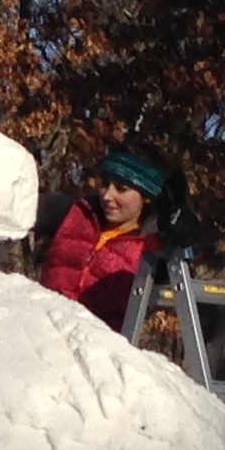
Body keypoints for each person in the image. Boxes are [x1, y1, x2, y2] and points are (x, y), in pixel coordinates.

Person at [39, 141, 176, 332]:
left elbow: (180, 276)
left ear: (146, 196)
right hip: (40, 336)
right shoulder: (72, 213)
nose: (107, 196)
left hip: (95, 351)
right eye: (104, 184)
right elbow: (18, 204)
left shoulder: (155, 247)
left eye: (121, 188)